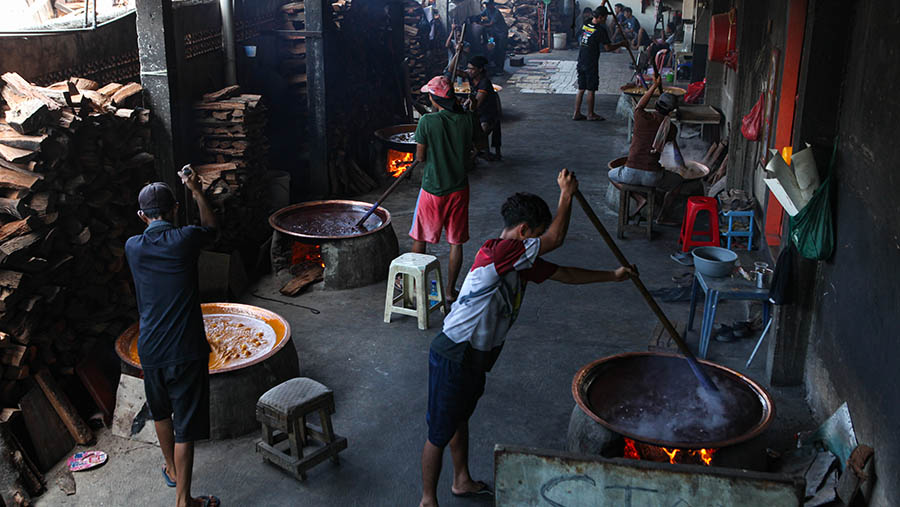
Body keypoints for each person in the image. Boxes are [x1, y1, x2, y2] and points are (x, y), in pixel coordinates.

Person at [417, 170, 634, 507]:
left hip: (475, 355)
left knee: (459, 418)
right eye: (535, 235)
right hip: (454, 353)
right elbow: (556, 239)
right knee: (439, 432)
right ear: (523, 232)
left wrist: (613, 276)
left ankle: (461, 480)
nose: (538, 242)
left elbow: (565, 273)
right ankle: (427, 500)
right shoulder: (501, 251)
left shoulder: (519, 262)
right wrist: (566, 194)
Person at [125, 168, 220, 507]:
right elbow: (211, 228)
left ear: (141, 216)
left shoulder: (132, 246)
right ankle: (184, 501)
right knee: (186, 428)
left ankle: (170, 468)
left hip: (150, 348)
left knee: (161, 412)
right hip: (185, 347)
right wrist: (195, 190)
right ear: (175, 209)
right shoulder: (185, 239)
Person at [412, 76, 476, 302]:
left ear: (434, 98)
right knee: (456, 241)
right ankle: (449, 291)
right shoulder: (467, 119)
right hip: (459, 188)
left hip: (432, 189)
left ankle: (416, 286)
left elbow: (420, 157)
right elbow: (479, 147)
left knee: (420, 237)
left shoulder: (427, 122)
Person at [609, 75, 685, 222]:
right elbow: (673, 150)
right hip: (653, 177)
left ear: (656, 103)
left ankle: (638, 198)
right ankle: (662, 216)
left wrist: (654, 86)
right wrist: (681, 165)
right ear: (671, 111)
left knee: (611, 174)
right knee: (678, 183)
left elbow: (639, 105)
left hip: (629, 173)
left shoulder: (641, 117)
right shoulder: (671, 128)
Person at [573, 7, 628, 121]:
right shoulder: (600, 30)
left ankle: (576, 112)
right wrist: (621, 44)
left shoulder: (586, 22)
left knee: (581, 88)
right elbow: (608, 48)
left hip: (581, 59)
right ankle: (590, 114)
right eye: (605, 17)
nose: (606, 19)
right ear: (601, 17)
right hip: (590, 62)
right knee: (591, 89)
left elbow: (579, 35)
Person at [465, 55, 502, 161]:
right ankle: (479, 151)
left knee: (481, 131)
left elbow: (476, 104)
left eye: (472, 69)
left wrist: (467, 103)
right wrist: (458, 51)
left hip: (488, 114)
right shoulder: (472, 77)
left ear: (480, 69)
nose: (469, 71)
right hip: (479, 113)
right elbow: (451, 70)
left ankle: (475, 155)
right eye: (468, 68)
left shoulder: (484, 83)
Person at [473, 0, 508, 72]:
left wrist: (480, 24)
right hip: (494, 33)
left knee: (501, 50)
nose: (487, 6)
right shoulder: (487, 10)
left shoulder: (496, 13)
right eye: (486, 5)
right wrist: (474, 18)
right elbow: (481, 15)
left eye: (488, 5)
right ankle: (494, 65)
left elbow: (490, 24)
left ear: (492, 4)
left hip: (502, 33)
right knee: (492, 47)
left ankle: (500, 69)